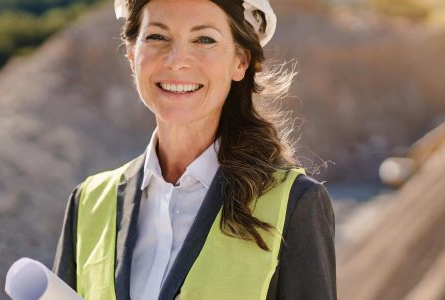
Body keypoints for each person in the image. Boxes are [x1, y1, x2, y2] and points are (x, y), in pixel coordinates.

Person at [53, 0, 337, 299]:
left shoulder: (294, 205)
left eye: (204, 39)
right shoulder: (88, 204)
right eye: (157, 37)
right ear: (132, 54)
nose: (177, 61)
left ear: (240, 61)